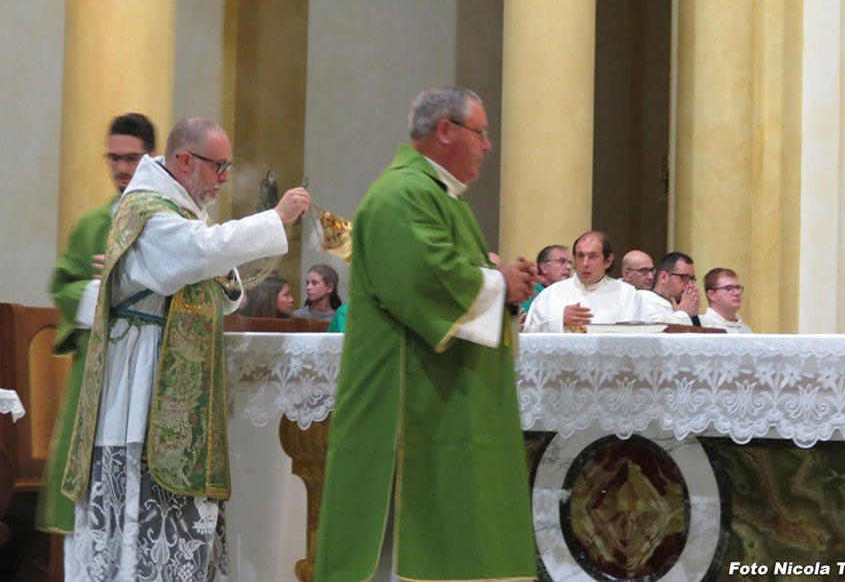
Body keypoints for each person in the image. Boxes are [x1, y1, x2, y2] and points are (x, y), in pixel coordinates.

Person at [61, 117, 311, 581]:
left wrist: (225, 266)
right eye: (218, 166)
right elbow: (196, 255)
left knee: (176, 515)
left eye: (227, 166)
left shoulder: (180, 209)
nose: (223, 178)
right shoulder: (148, 210)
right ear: (183, 160)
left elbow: (218, 280)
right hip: (141, 384)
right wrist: (273, 220)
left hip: (169, 382)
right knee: (141, 505)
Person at [315, 87, 538, 581]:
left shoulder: (441, 197)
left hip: (438, 399)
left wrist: (508, 288)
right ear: (445, 131)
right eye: (481, 133)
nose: (488, 146)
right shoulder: (402, 194)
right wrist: (501, 283)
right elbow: (426, 281)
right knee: (395, 550)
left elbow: (453, 276)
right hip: (404, 409)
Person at [37, 113, 156, 536]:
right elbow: (63, 284)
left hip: (149, 369)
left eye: (132, 158)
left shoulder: (165, 222)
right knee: (88, 499)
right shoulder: (91, 226)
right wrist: (97, 292)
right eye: (114, 158)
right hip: (97, 372)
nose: (122, 169)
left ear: (153, 158)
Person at [524, 231, 649, 332]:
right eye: (580, 256)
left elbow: (638, 339)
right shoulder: (551, 294)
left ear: (608, 261)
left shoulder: (627, 295)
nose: (585, 263)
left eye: (593, 257)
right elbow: (528, 335)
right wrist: (558, 321)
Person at [638, 251, 701, 326]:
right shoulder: (643, 302)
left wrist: (693, 317)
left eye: (692, 279)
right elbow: (662, 335)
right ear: (663, 277)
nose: (690, 285)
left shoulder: (680, 306)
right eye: (684, 277)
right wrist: (682, 314)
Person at [519, 243, 573, 315]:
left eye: (570, 263)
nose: (569, 267)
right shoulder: (529, 294)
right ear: (544, 268)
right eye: (562, 261)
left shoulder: (570, 293)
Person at [701, 267, 753, 333]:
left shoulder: (746, 330)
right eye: (728, 288)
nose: (737, 293)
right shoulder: (704, 328)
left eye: (737, 288)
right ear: (712, 295)